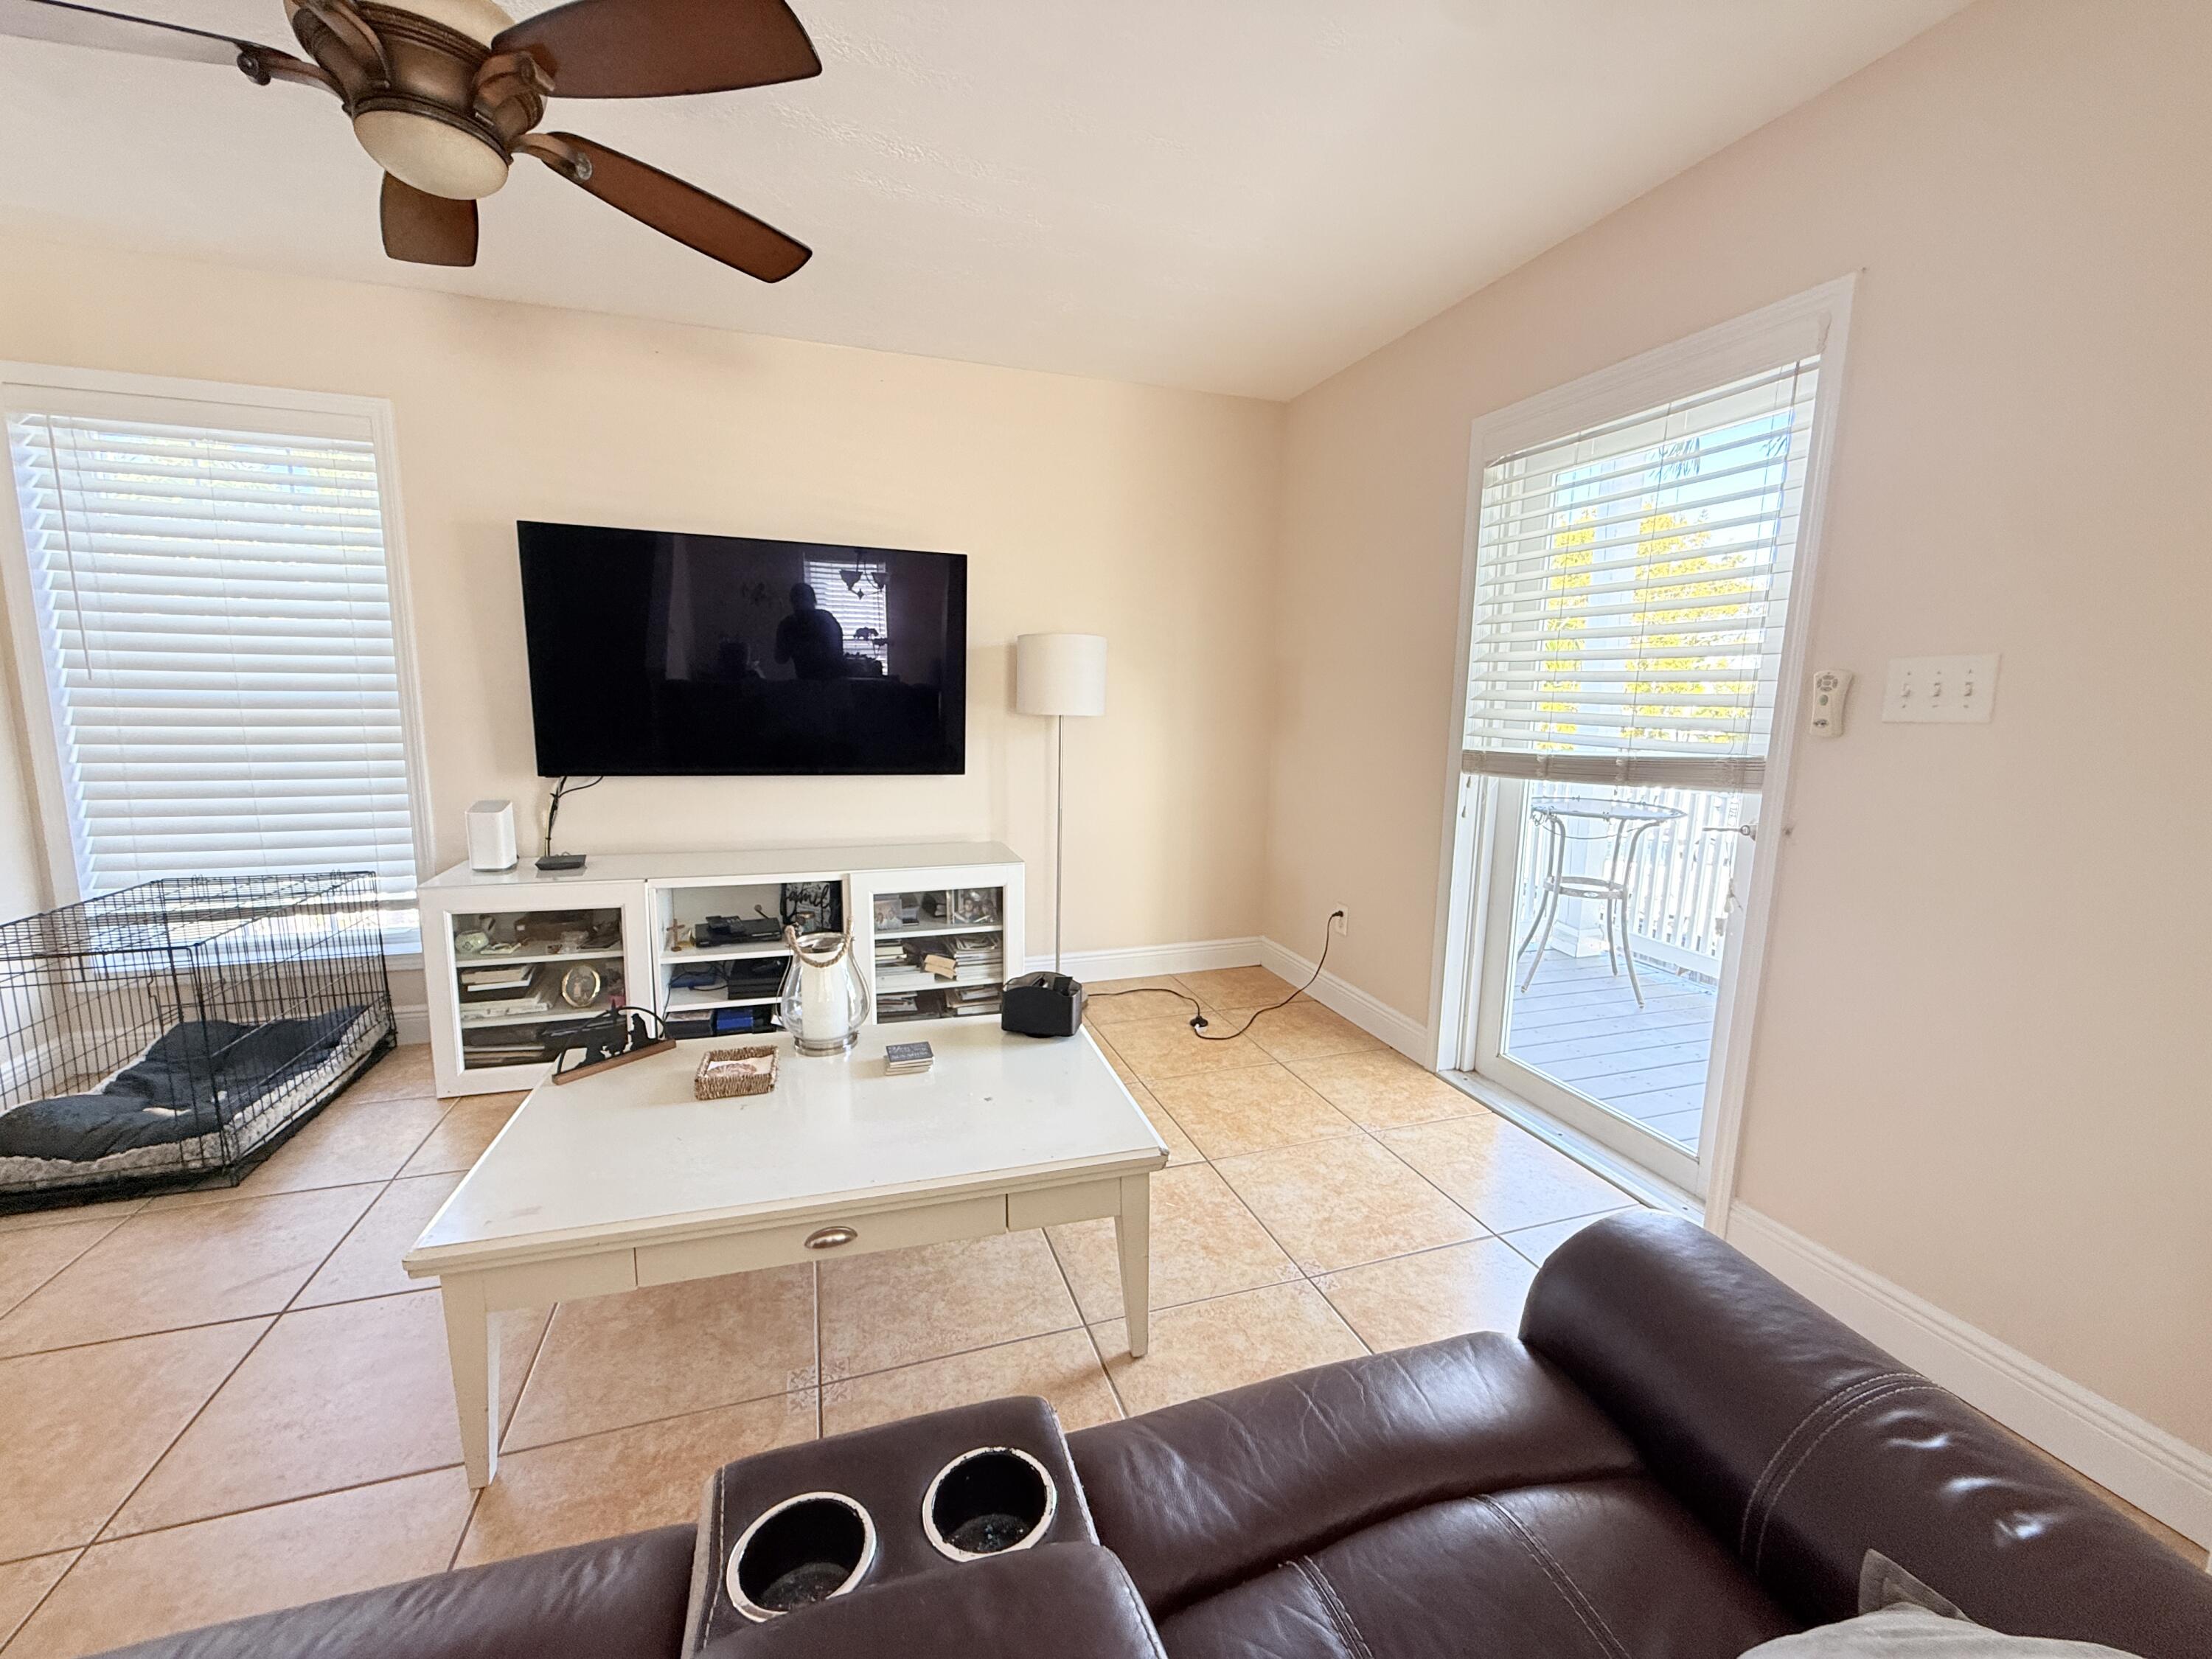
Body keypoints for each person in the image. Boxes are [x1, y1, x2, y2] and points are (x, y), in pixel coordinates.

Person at [773, 583, 845, 680]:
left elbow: (780, 658)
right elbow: (838, 653)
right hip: (834, 682)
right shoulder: (827, 619)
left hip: (807, 682)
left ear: (792, 602)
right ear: (814, 600)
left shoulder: (788, 624)